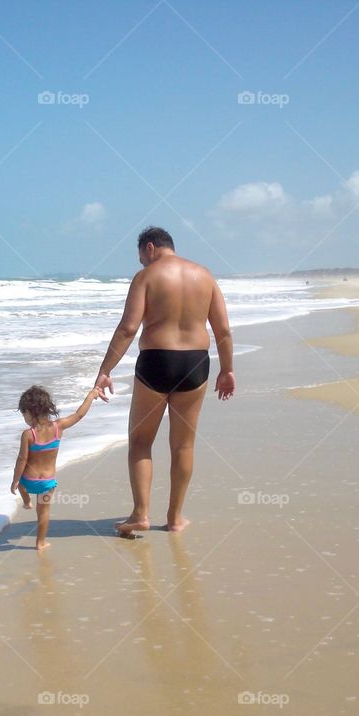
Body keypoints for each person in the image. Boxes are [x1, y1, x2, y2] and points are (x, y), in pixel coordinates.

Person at [94, 226, 235, 538]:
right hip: (195, 363)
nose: (142, 263)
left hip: (157, 361)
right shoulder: (205, 275)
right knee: (183, 445)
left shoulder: (146, 277)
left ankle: (140, 514)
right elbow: (223, 331)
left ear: (149, 247)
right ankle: (175, 518)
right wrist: (227, 370)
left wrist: (105, 370)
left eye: (142, 257)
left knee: (141, 442)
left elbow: (128, 329)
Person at [11, 385, 100, 550]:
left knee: (22, 486)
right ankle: (40, 542)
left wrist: (15, 481)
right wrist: (91, 395)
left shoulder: (28, 434)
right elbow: (79, 414)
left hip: (29, 480)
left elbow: (22, 459)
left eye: (24, 413)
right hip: (47, 483)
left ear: (32, 412)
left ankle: (26, 502)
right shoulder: (59, 426)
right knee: (43, 512)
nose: (24, 417)